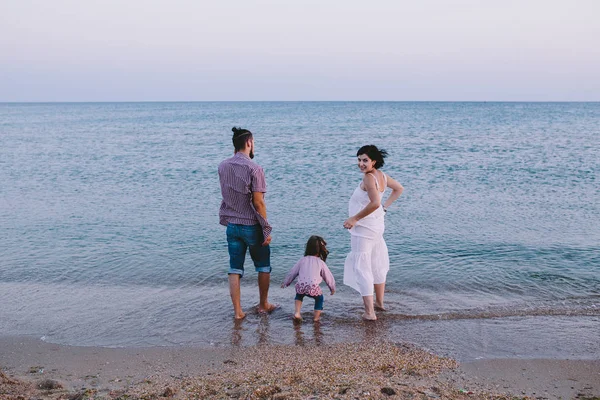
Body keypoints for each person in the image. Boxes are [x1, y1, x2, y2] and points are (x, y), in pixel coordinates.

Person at [218, 127, 278, 319]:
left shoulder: (223, 166)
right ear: (249, 143)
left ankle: (238, 312)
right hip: (251, 225)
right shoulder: (254, 168)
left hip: (232, 225)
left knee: (234, 268)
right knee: (263, 266)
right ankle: (263, 304)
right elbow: (258, 202)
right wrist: (266, 229)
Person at [343, 145, 404, 320]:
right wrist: (385, 208)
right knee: (377, 262)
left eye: (365, 160)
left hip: (364, 229)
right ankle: (379, 303)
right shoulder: (382, 176)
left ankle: (370, 313)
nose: (361, 164)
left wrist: (354, 218)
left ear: (374, 162)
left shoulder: (370, 178)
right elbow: (399, 188)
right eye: (359, 160)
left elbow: (375, 203)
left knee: (363, 268)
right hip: (376, 226)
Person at [281, 235, 336, 322]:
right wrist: (332, 288)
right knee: (319, 299)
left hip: (301, 286)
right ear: (321, 249)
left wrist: (286, 282)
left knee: (299, 296)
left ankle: (297, 313)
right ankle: (316, 318)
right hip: (313, 287)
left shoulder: (302, 260)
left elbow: (293, 272)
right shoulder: (320, 262)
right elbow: (328, 276)